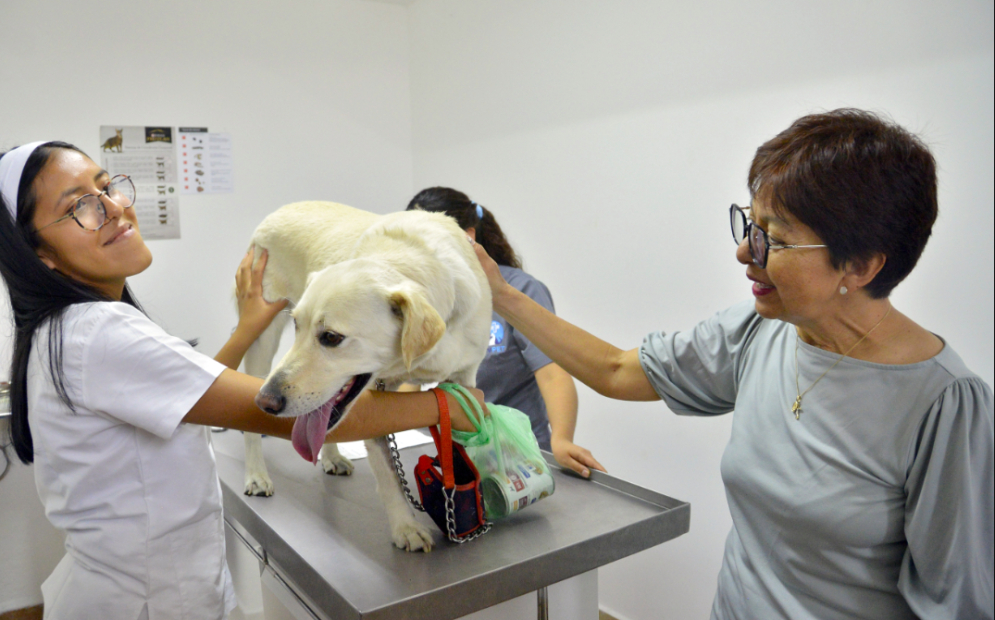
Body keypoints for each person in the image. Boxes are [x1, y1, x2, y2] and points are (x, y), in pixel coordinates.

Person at [471, 110, 994, 619]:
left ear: (860, 265)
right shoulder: (760, 330)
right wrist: (502, 295)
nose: (746, 251)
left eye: (776, 238)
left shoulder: (942, 405)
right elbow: (616, 370)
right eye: (750, 224)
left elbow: (956, 601)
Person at [0, 141, 481, 620]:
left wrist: (250, 325)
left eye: (107, 187)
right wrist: (448, 404)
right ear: (38, 252)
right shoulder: (101, 335)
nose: (112, 207)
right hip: (147, 602)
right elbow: (282, 408)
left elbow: (191, 390)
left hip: (136, 589)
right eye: (79, 205)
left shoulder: (66, 328)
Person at [407, 187, 605, 478]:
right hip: (454, 456)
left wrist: (561, 439)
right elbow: (409, 381)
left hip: (518, 457)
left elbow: (552, 373)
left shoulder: (519, 290)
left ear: (468, 237)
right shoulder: (427, 297)